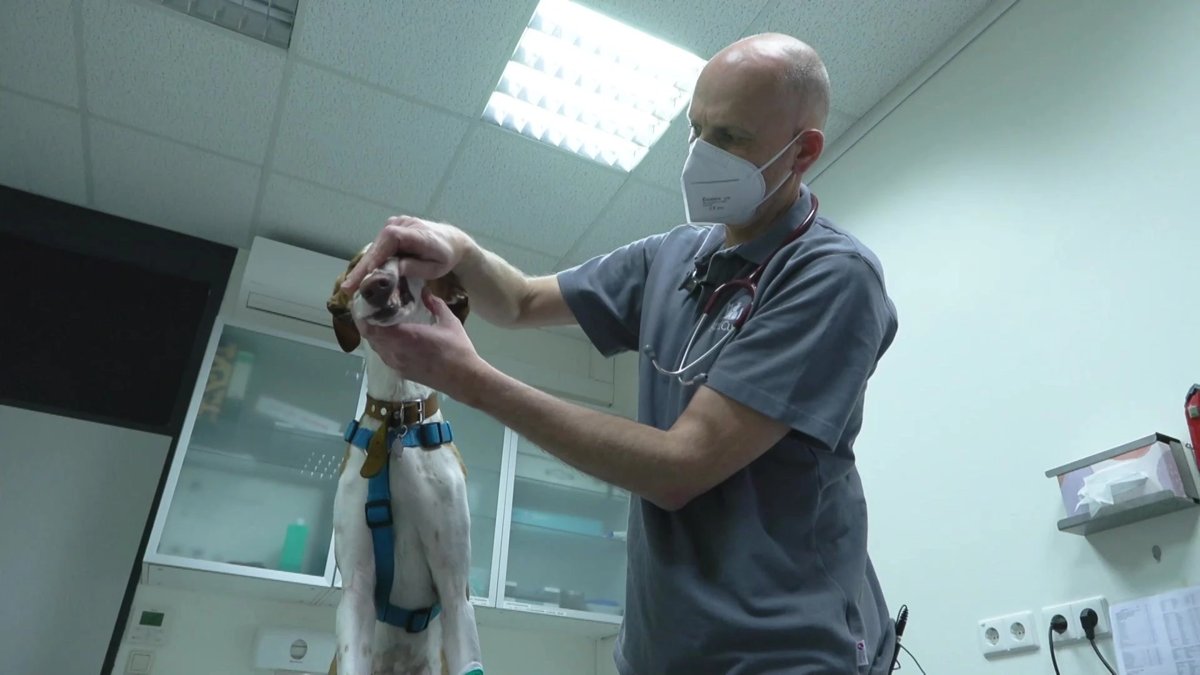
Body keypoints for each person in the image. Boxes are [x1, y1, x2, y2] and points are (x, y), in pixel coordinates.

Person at [342, 32, 899, 675]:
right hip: (659, 651)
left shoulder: (831, 275)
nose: (699, 155)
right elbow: (521, 301)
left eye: (731, 138)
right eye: (695, 129)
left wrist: (468, 379)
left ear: (802, 152)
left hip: (783, 653)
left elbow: (680, 469)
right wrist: (459, 250)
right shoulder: (674, 256)